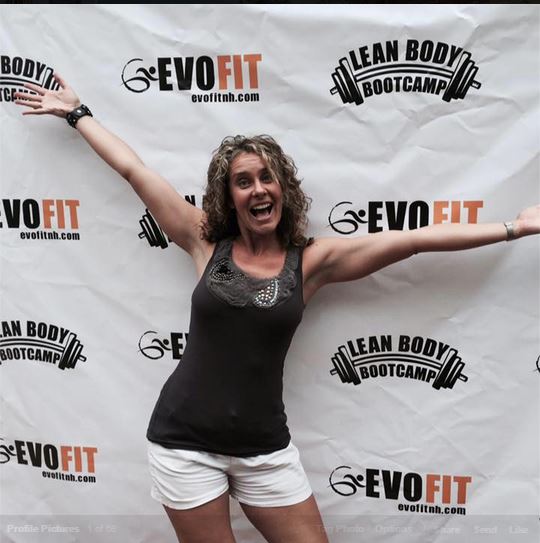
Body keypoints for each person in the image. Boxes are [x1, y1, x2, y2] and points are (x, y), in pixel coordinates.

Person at [14, 74, 540, 543]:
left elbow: (415, 240)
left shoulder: (311, 261)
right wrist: (78, 114)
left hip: (265, 450)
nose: (258, 189)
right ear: (230, 197)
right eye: (243, 181)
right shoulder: (204, 241)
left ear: (283, 190)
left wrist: (514, 227)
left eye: (267, 178)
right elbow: (134, 170)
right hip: (183, 443)